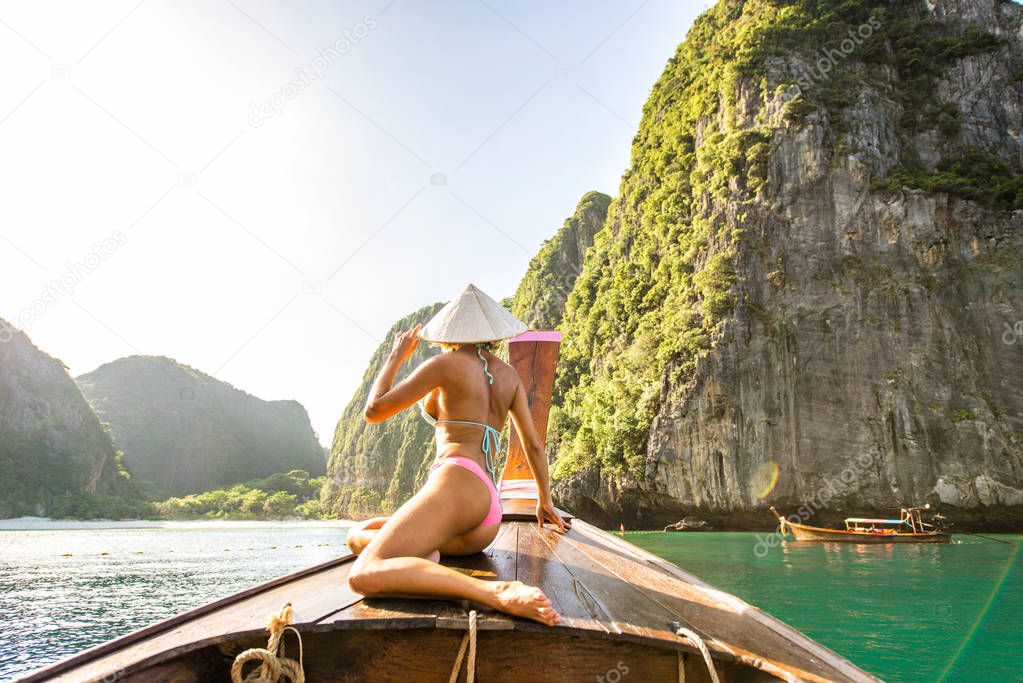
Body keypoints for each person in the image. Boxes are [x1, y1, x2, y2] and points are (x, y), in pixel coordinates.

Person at [345, 284, 570, 626]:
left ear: (450, 333)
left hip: (454, 484)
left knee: (363, 573)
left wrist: (396, 356)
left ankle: (494, 594)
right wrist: (544, 500)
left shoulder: (444, 365)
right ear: (491, 334)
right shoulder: (509, 377)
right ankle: (426, 559)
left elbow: (374, 410)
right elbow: (534, 445)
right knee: (357, 535)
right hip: (486, 518)